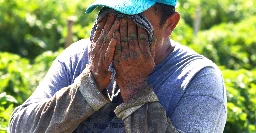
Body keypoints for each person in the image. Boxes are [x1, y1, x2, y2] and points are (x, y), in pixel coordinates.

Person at [8, 0, 227, 132]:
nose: (115, 31)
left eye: (132, 20)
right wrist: (89, 85)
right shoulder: (78, 56)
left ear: (169, 24)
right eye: (108, 15)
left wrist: (135, 87)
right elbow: (19, 128)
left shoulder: (198, 78)